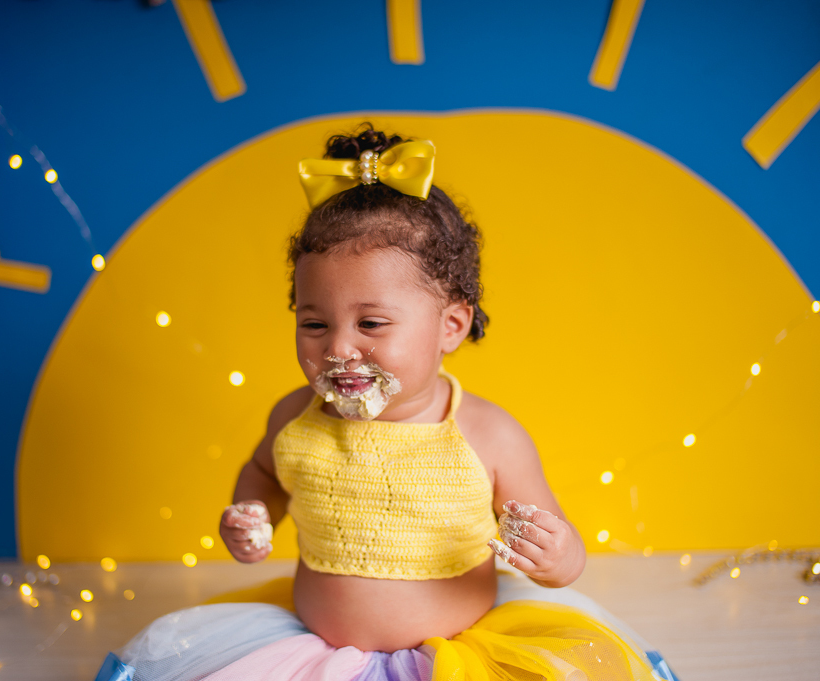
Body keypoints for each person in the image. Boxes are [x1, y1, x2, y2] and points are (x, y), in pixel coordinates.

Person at [102, 127, 678, 681]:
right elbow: (262, 473)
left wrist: (557, 558)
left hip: (455, 655)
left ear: (451, 325)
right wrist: (252, 514)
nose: (339, 347)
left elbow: (559, 540)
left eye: (371, 323)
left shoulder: (485, 435)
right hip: (312, 652)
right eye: (314, 323)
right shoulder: (294, 418)